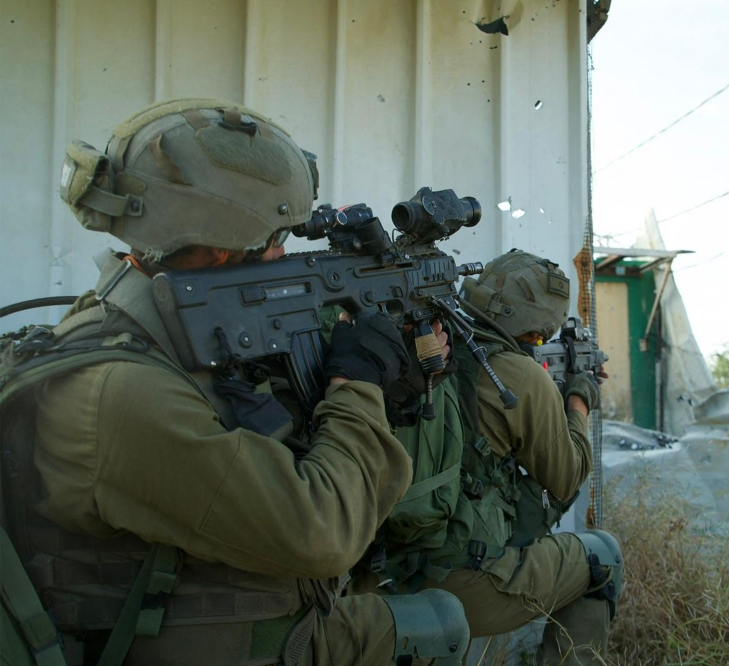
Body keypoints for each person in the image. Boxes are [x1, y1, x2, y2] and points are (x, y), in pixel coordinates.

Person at [0, 99, 468, 665]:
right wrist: (355, 384)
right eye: (277, 240)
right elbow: (325, 529)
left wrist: (381, 373)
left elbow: (267, 441)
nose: (283, 255)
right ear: (224, 246)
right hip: (232, 641)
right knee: (444, 622)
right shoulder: (120, 394)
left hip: (255, 611)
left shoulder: (167, 337)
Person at [352, 250, 622, 666]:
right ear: (536, 331)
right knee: (602, 556)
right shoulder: (519, 377)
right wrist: (579, 400)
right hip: (457, 581)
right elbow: (567, 478)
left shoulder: (428, 343)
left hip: (380, 572)